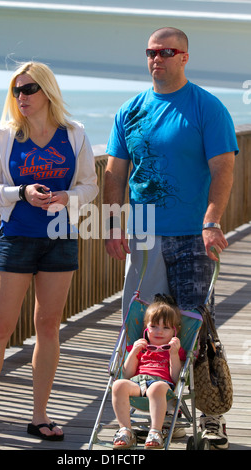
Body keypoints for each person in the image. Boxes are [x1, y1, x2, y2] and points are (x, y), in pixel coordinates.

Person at [104, 27, 239, 450]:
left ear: (184, 57)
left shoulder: (207, 108)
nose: (156, 59)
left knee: (195, 325)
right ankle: (157, 416)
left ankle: (211, 416)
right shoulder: (130, 111)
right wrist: (112, 224)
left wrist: (212, 220)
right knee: (142, 326)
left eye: (166, 52)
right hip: (144, 236)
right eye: (150, 52)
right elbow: (114, 172)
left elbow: (223, 169)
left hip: (192, 237)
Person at [0, 61, 98, 445]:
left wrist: (68, 196)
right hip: (17, 237)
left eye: (29, 89)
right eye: (17, 91)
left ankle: (39, 417)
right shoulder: (4, 135)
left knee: (48, 327)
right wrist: (20, 193)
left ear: (47, 91)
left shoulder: (74, 134)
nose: (22, 97)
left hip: (60, 237)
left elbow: (89, 186)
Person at [112, 294, 184, 450]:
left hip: (162, 384)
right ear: (146, 328)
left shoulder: (174, 350)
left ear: (174, 331)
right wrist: (134, 352)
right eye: (154, 326)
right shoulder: (140, 346)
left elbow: (176, 377)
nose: (159, 332)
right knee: (118, 385)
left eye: (166, 328)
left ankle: (155, 431)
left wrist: (174, 354)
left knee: (155, 388)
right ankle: (125, 430)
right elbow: (128, 374)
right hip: (138, 382)